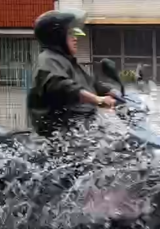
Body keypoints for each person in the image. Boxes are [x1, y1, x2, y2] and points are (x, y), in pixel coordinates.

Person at [27, 8, 119, 137]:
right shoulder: (49, 59)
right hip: (60, 135)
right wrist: (97, 99)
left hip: (81, 130)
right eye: (70, 34)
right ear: (57, 37)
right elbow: (62, 86)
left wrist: (116, 93)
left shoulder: (68, 62)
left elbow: (91, 83)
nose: (75, 38)